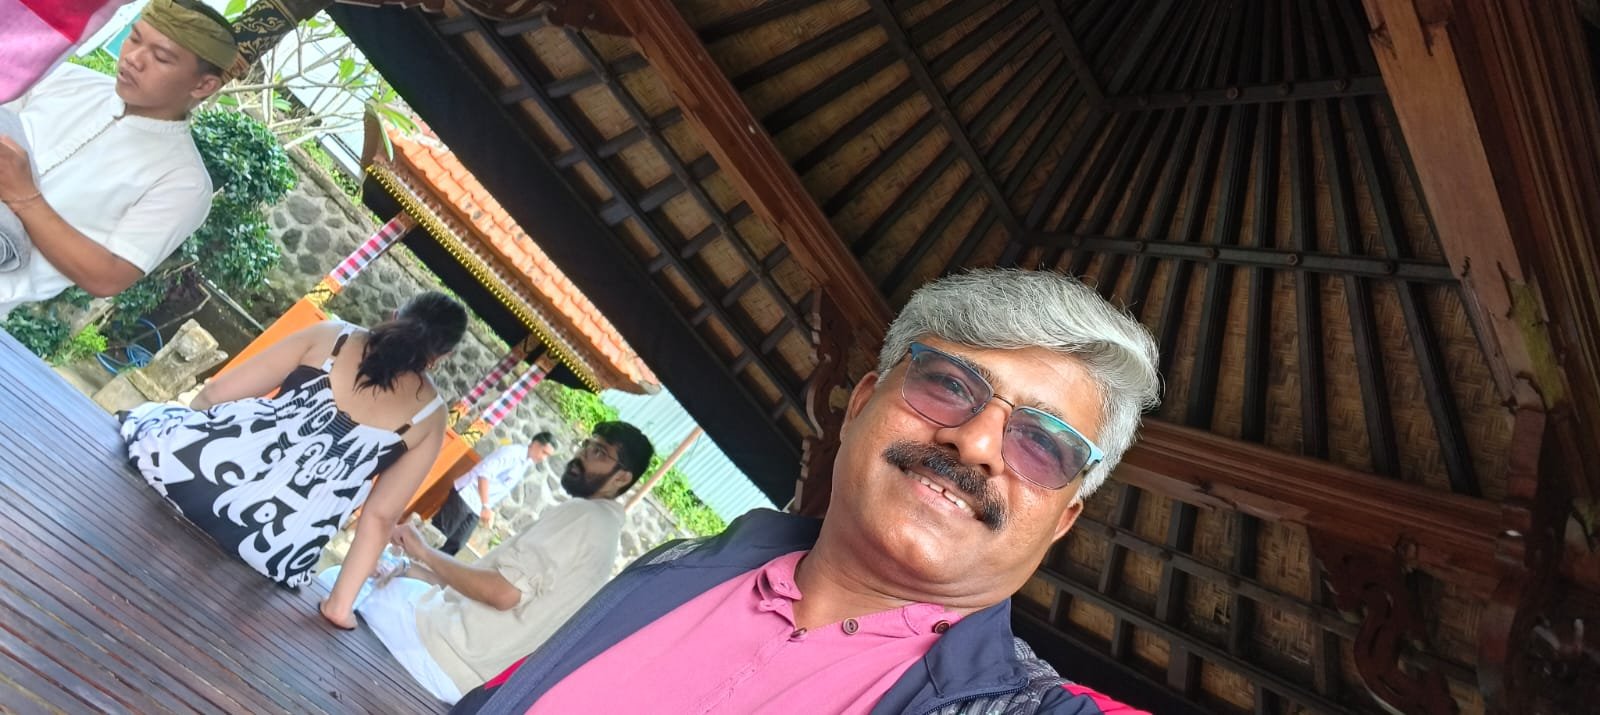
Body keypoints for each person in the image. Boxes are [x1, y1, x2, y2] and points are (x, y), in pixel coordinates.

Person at [450, 269, 1162, 714]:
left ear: (1062, 519)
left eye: (1043, 443)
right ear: (860, 406)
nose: (975, 442)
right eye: (949, 383)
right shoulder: (677, 566)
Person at [119, 291, 468, 631]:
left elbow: (216, 394)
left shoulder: (334, 337)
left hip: (188, 475)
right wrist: (339, 606)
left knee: (154, 418)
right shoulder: (430, 417)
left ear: (395, 315)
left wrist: (186, 429)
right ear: (442, 357)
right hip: (273, 546)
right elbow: (380, 517)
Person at [317, 421, 654, 704]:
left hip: (444, 652)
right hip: (469, 670)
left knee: (340, 580)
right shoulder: (604, 531)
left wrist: (423, 552)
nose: (582, 456)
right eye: (588, 445)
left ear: (621, 478)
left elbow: (502, 594)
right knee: (384, 575)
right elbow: (484, 587)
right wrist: (411, 566)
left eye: (599, 452)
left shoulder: (583, 516)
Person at [0, 0, 235, 318]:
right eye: (134, 38)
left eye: (161, 57)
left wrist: (25, 197)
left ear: (203, 85)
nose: (134, 58)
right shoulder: (65, 80)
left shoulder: (183, 181)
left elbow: (108, 276)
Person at [432, 432, 559, 555]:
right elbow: (484, 475)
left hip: (477, 506)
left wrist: (486, 507)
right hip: (466, 495)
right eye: (544, 452)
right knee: (438, 534)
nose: (543, 458)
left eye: (547, 456)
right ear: (535, 444)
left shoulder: (526, 463)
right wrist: (486, 506)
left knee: (456, 544)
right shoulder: (512, 453)